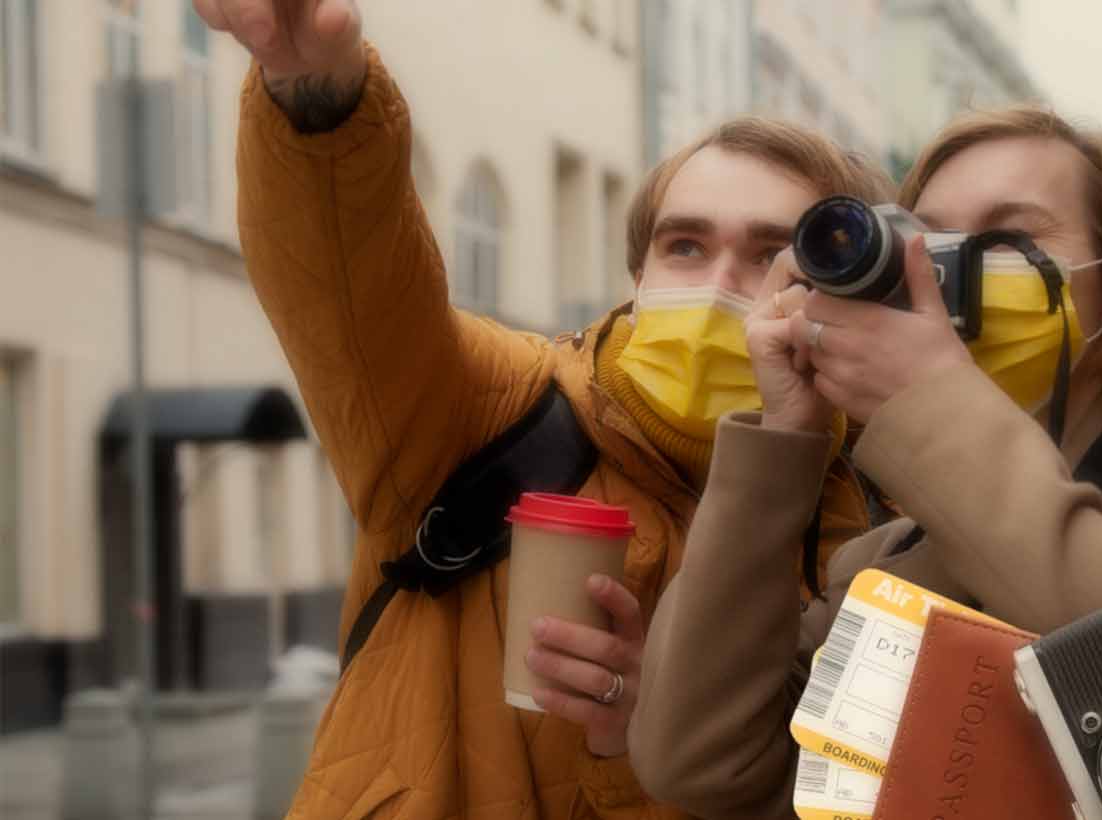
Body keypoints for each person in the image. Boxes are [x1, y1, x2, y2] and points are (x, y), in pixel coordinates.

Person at [199, 0, 889, 816]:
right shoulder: (494, 406)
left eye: (772, 254)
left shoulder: (874, 533)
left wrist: (657, 732)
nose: (716, 286)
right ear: (639, 274)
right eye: (685, 245)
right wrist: (319, 100)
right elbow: (352, 277)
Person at [628, 107, 1102, 816]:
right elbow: (701, 764)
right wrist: (783, 438)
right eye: (931, 240)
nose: (954, 271)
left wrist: (927, 397)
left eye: (1008, 239)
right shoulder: (889, 557)